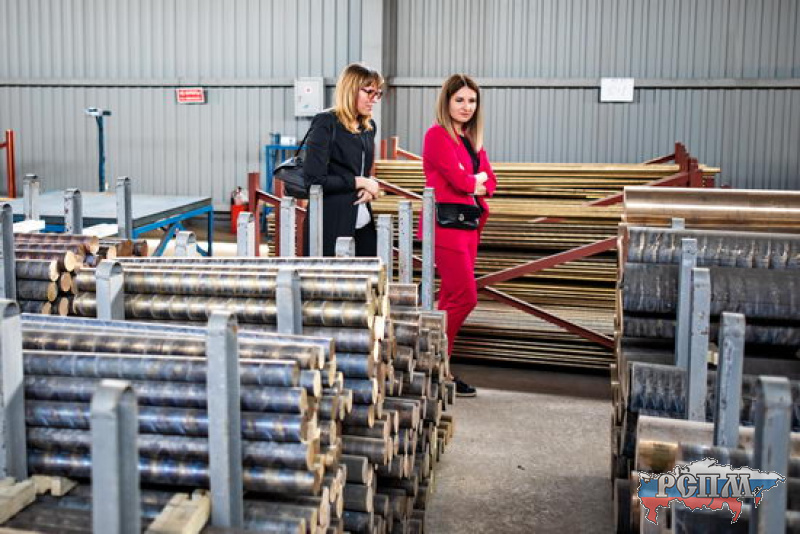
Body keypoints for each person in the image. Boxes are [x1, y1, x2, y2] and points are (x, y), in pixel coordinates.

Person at [421, 74, 497, 397]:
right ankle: (435, 363)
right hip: (446, 227)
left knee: (451, 298)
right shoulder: (437, 135)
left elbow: (490, 182)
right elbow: (459, 180)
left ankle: (439, 370)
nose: (467, 107)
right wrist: (472, 181)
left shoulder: (471, 139)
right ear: (447, 102)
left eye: (472, 101)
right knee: (466, 297)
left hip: (469, 226)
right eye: (460, 100)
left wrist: (474, 181)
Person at [303, 63, 383, 256]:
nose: (374, 99)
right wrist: (360, 182)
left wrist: (368, 187)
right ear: (351, 89)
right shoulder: (326, 122)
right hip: (331, 223)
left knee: (370, 273)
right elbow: (314, 180)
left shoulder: (368, 126)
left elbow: (361, 170)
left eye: (378, 93)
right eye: (369, 92)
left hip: (362, 221)